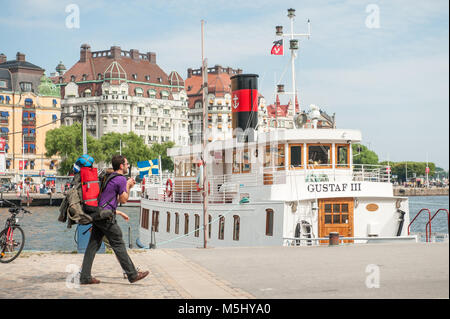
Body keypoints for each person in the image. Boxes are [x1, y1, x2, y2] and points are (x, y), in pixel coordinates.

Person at [80, 155, 149, 284]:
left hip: (97, 213)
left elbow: (113, 198)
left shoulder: (109, 176)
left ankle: (85, 277)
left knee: (92, 245)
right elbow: (123, 199)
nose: (128, 166)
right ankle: (132, 274)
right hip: (106, 216)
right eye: (127, 164)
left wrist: (127, 186)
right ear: (121, 166)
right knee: (118, 243)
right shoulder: (121, 179)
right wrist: (128, 185)